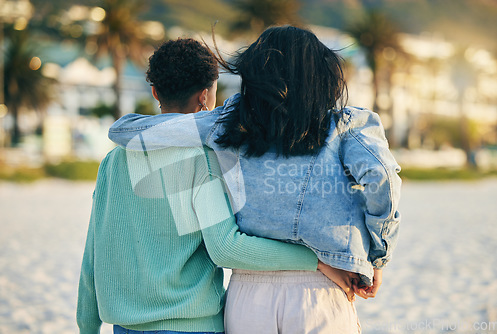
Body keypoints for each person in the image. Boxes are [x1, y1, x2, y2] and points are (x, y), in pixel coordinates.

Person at [108, 26, 402, 334]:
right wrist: (379, 255)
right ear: (321, 75)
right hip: (321, 289)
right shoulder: (346, 124)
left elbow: (125, 132)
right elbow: (381, 177)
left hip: (247, 294)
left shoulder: (228, 123)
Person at [77, 38, 334, 334]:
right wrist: (316, 260)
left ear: (155, 91)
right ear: (205, 96)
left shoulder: (112, 161)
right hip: (191, 326)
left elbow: (92, 254)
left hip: (124, 326)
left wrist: (87, 326)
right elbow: (225, 248)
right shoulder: (202, 158)